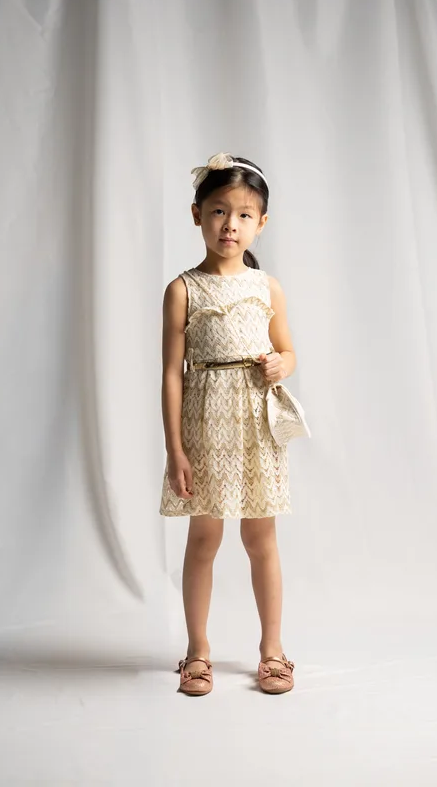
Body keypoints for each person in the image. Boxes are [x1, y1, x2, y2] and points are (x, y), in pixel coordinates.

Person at [159, 152, 296, 696]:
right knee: (204, 537)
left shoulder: (267, 287)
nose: (230, 225)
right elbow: (171, 374)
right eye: (219, 211)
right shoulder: (183, 289)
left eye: (243, 215)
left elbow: (288, 351)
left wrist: (282, 364)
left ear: (261, 222)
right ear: (198, 214)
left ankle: (272, 650)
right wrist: (175, 449)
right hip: (205, 426)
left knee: (261, 537)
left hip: (256, 428)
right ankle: (197, 651)